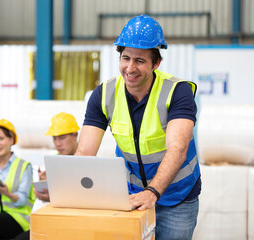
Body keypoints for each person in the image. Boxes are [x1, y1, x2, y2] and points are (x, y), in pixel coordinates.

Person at [75, 15, 201, 240]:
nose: (130, 68)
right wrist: (64, 186)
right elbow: (84, 152)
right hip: (131, 196)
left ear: (156, 63)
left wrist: (153, 192)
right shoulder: (103, 95)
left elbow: (178, 148)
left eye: (140, 61)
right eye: (125, 58)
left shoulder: (177, 92)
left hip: (177, 196)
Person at [14, 112, 80, 240]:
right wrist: (42, 183)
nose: (57, 143)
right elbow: (39, 200)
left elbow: (85, 198)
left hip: (73, 224)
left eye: (62, 137)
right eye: (54, 138)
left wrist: (54, 196)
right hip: (51, 220)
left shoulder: (88, 160)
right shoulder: (52, 161)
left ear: (75, 135)